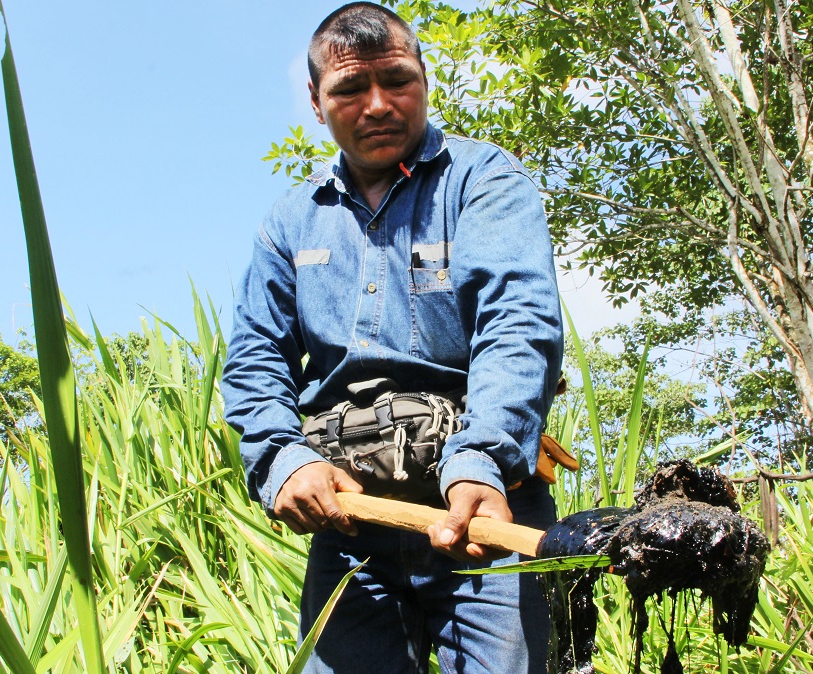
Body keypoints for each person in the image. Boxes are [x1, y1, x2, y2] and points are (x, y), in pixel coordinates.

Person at [220, 3, 563, 672]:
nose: (377, 104)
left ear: (424, 80)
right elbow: (255, 358)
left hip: (483, 507)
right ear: (317, 105)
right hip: (353, 522)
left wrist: (483, 461)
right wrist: (285, 461)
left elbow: (516, 323)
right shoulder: (290, 224)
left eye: (396, 80)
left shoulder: (483, 182)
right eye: (350, 88)